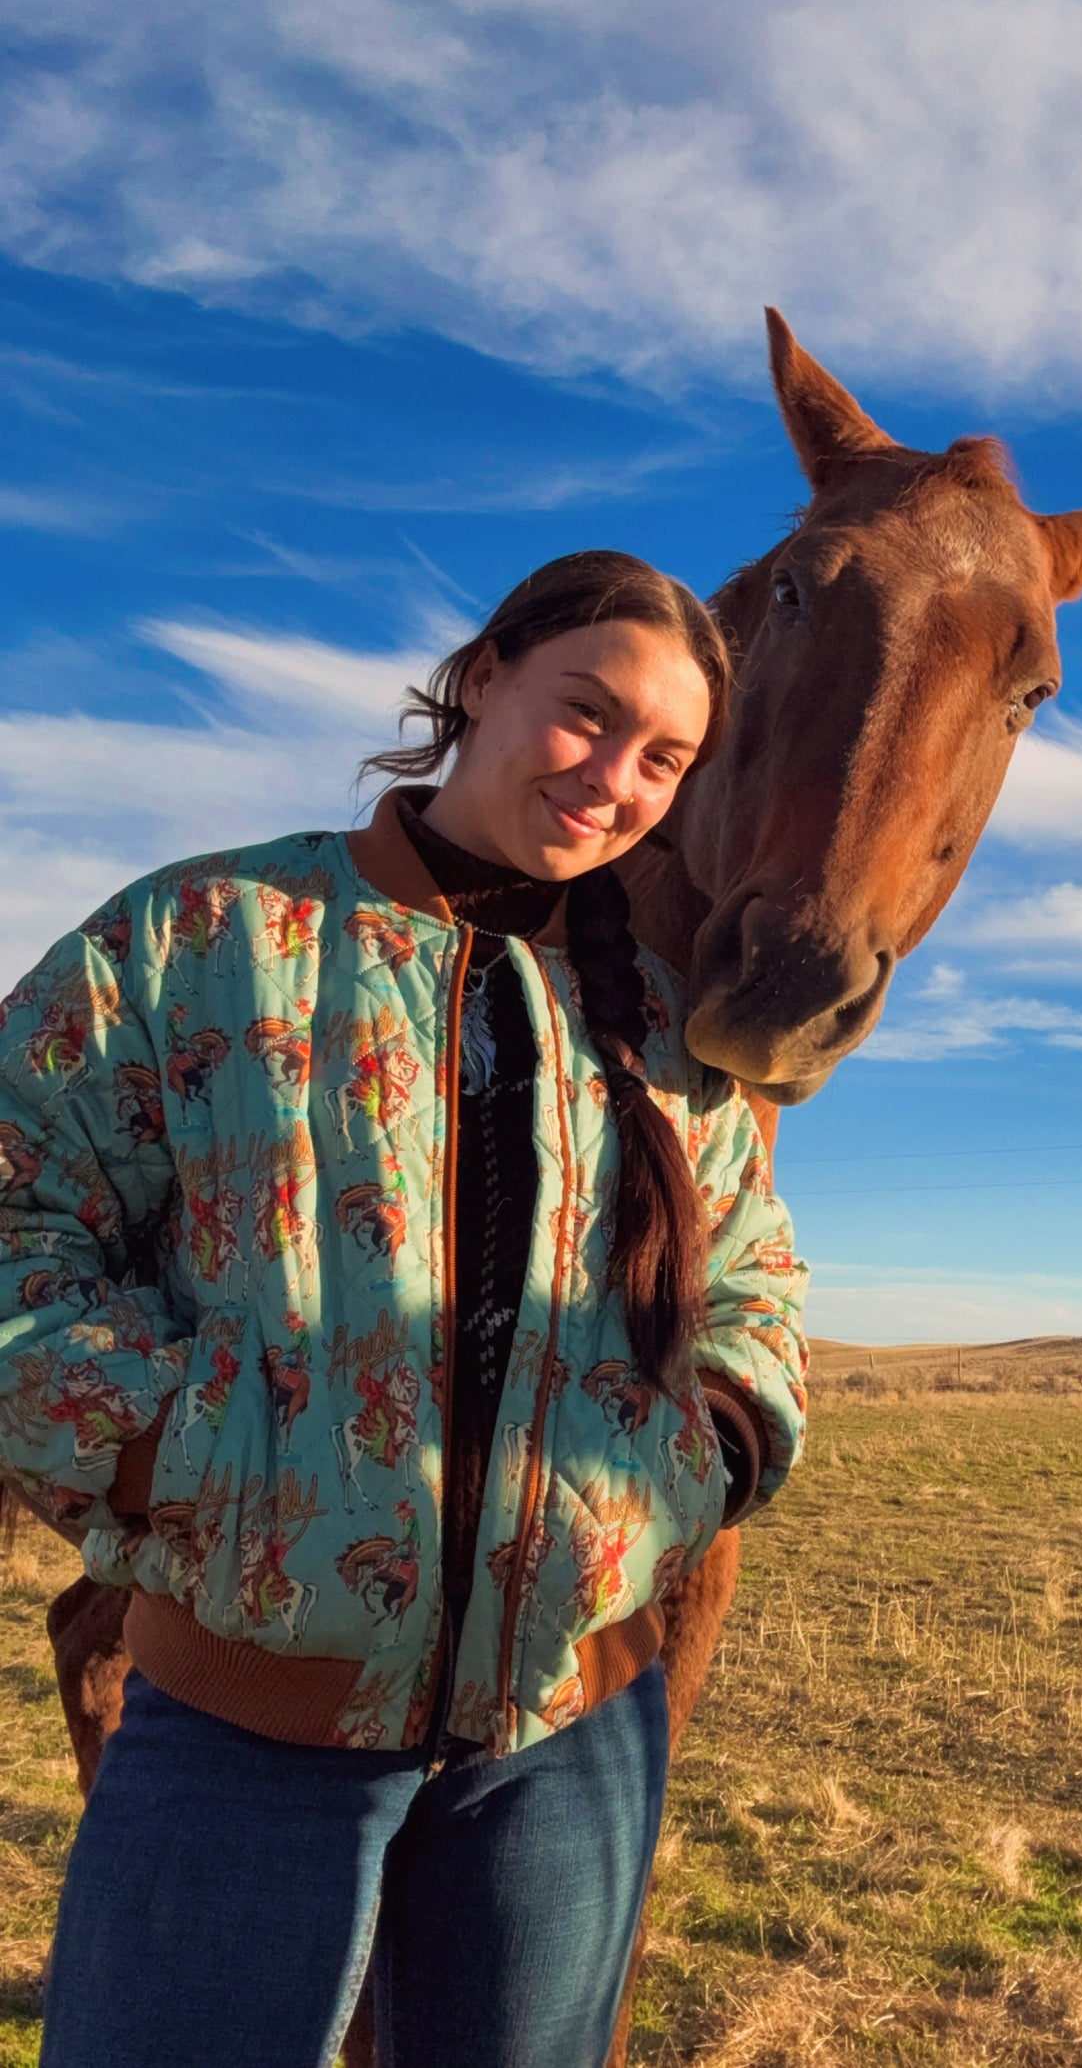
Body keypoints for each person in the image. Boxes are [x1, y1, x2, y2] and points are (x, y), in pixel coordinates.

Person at [0, 549, 809, 2068]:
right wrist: (176, 1453)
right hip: (243, 1727)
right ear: (486, 676)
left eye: (664, 759)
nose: (614, 778)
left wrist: (691, 1463)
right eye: (587, 713)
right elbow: (10, 1202)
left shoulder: (658, 1018)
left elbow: (755, 1283)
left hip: (571, 1741)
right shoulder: (200, 941)